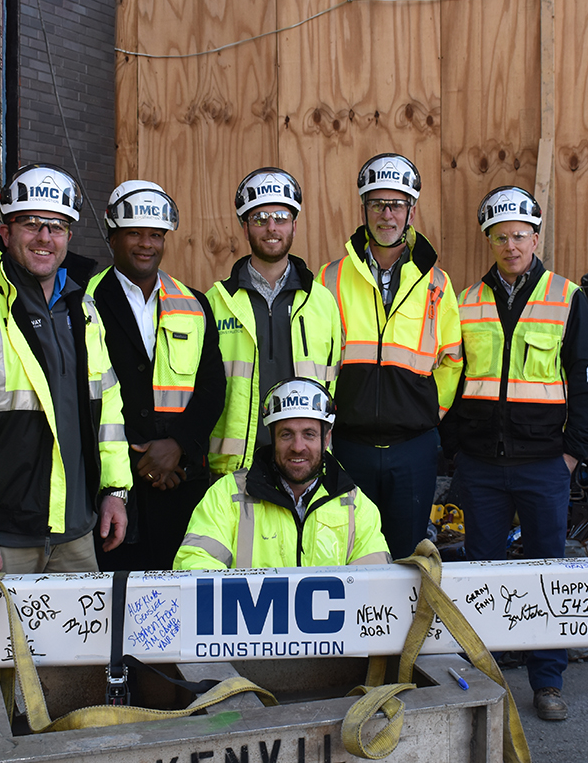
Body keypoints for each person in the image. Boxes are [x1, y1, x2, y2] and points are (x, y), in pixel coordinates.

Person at [440, 186, 588, 722]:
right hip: (482, 466)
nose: (511, 245)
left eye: (519, 235)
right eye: (500, 237)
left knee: (545, 574)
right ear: (489, 241)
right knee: (483, 577)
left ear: (536, 237)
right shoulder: (464, 302)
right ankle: (485, 683)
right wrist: (456, 453)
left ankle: (548, 681)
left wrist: (574, 455)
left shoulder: (565, 298)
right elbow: (451, 379)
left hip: (544, 465)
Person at [0, 164, 132, 574]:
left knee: (78, 640)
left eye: (56, 226)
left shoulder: (83, 310)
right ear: (6, 232)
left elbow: (108, 408)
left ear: (69, 236)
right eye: (31, 223)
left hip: (75, 532)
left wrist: (116, 489)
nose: (44, 237)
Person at [319, 153, 463, 559]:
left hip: (413, 448)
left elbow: (452, 357)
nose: (387, 214)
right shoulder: (329, 277)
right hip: (347, 444)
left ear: (411, 210)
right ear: (363, 209)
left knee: (406, 558)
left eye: (396, 204)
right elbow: (314, 355)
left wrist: (431, 411)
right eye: (377, 204)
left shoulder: (436, 282)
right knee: (347, 553)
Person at [86, 180, 225, 571]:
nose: (146, 244)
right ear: (112, 237)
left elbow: (213, 387)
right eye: (134, 233)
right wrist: (138, 464)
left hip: (181, 482)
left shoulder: (194, 303)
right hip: (111, 490)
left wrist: (177, 444)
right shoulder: (82, 302)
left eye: (155, 234)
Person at [207, 168, 341, 476]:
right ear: (245, 227)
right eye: (259, 218)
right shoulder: (215, 302)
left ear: (294, 225)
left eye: (280, 217)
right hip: (232, 468)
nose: (271, 227)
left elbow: (336, 389)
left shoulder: (322, 302)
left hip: (303, 464)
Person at [174, 379, 391, 569]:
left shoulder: (356, 506)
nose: (298, 446)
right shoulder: (227, 495)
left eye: (309, 434)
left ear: (326, 439)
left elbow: (374, 589)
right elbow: (195, 568)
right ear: (272, 437)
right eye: (286, 434)